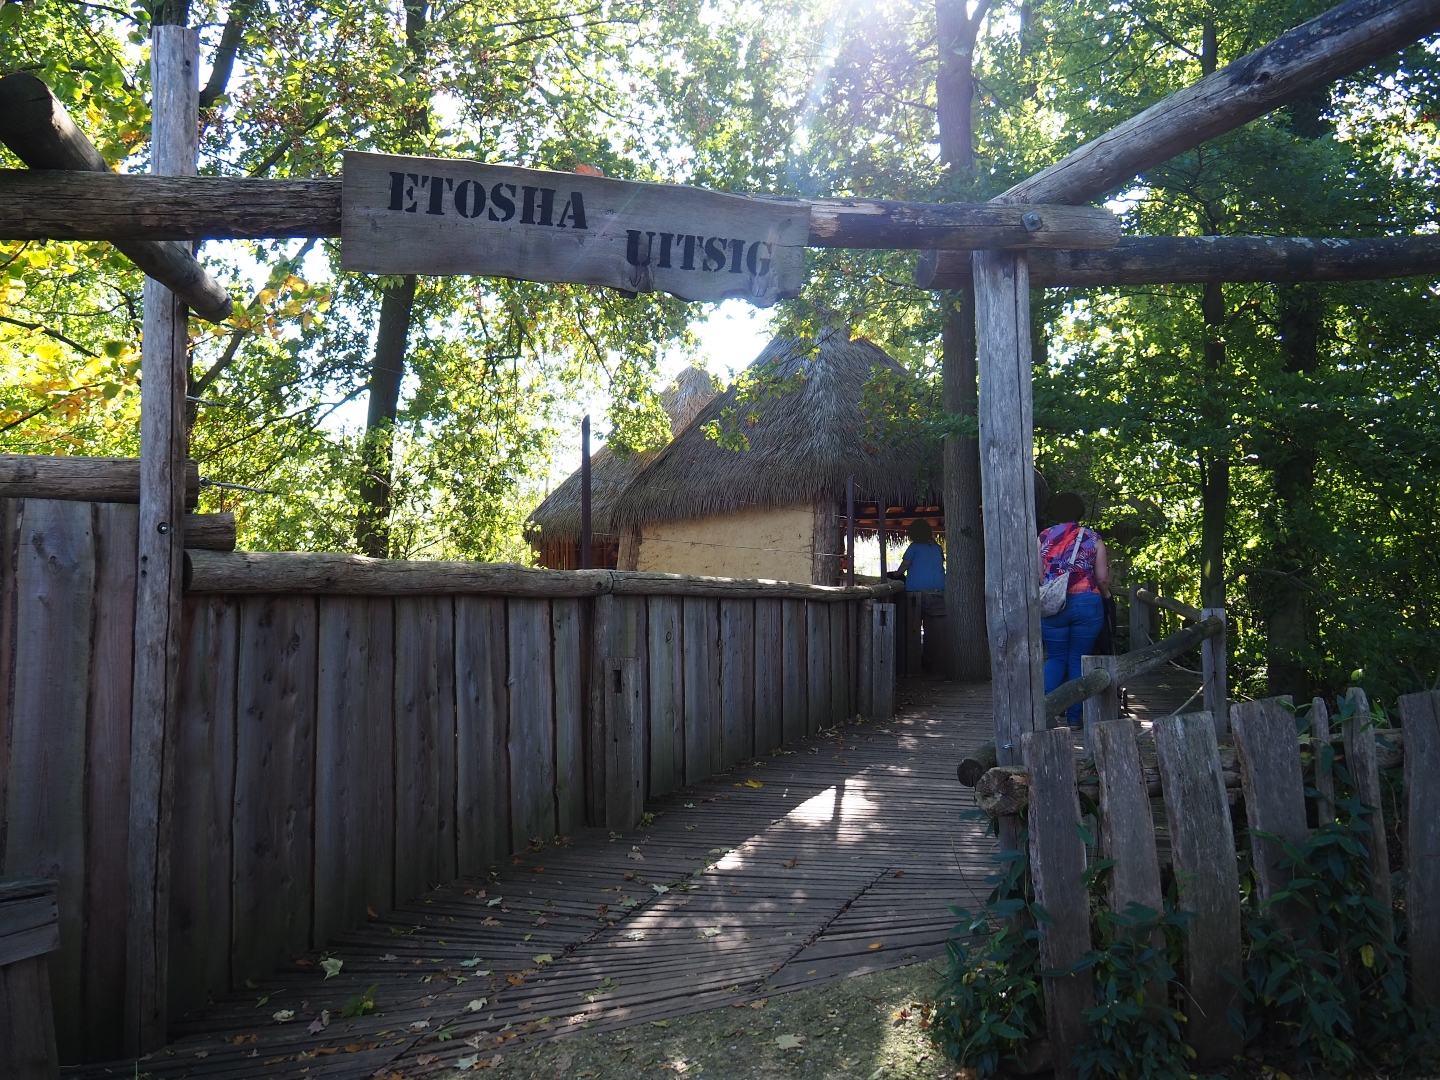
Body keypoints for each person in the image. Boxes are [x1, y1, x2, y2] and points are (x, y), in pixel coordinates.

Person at [1038, 493, 1110, 728]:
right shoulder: (1093, 538)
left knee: (1055, 658)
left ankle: (1045, 713)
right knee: (1078, 660)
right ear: (1080, 511)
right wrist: (1106, 597)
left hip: (1053, 605)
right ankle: (1074, 718)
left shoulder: (1044, 537)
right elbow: (1103, 578)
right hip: (1087, 603)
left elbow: (1039, 576)